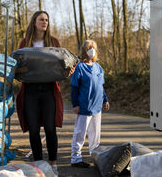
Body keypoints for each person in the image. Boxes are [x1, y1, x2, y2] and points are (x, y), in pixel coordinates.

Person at [15, 11, 63, 176]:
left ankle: (53, 164)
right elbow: (18, 66)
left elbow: (62, 65)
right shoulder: (25, 42)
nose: (45, 22)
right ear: (34, 22)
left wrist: (69, 70)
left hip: (49, 90)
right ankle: (38, 166)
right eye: (41, 19)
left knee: (50, 128)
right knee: (34, 129)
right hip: (31, 91)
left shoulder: (53, 42)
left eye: (47, 20)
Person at [70, 40, 110, 168]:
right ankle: (76, 158)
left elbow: (100, 86)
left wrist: (105, 99)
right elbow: (74, 87)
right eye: (89, 47)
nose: (92, 50)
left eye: (94, 47)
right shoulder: (80, 67)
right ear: (84, 50)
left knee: (95, 134)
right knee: (80, 133)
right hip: (84, 107)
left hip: (97, 107)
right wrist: (75, 104)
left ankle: (95, 156)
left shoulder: (98, 67)